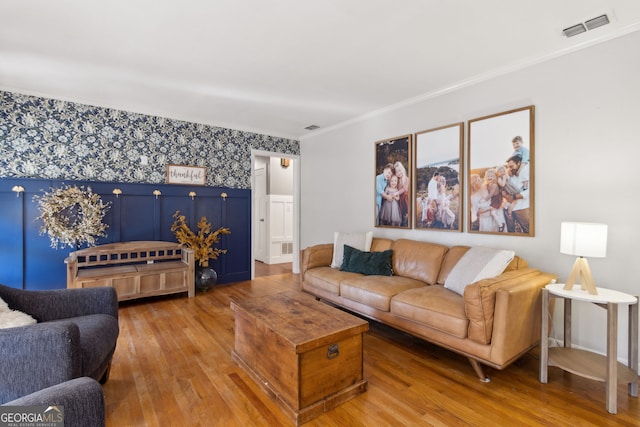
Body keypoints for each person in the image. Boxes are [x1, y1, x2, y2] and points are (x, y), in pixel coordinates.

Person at [502, 154, 530, 233]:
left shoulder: (526, 173)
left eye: (511, 166)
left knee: (528, 231)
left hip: (522, 208)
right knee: (510, 231)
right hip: (508, 207)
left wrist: (513, 197)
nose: (510, 168)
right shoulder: (509, 174)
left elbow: (528, 192)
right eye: (508, 166)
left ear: (519, 163)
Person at [484, 168, 506, 232]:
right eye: (488, 176)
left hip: (497, 200)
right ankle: (500, 224)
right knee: (493, 213)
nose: (489, 177)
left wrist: (485, 200)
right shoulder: (488, 184)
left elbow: (491, 194)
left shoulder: (494, 185)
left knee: (493, 213)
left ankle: (501, 225)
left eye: (491, 176)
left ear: (494, 177)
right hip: (493, 200)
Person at [394, 161, 410, 227]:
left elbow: (405, 189)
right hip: (398, 198)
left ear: (402, 170)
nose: (399, 173)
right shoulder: (396, 180)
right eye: (397, 172)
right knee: (399, 212)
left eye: (400, 171)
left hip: (404, 198)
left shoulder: (406, 179)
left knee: (405, 212)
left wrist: (397, 192)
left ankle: (405, 222)